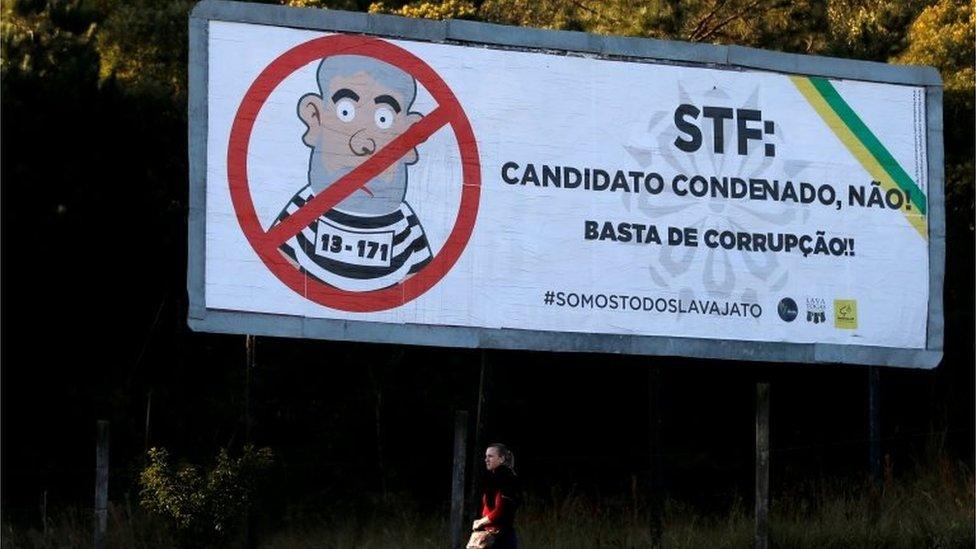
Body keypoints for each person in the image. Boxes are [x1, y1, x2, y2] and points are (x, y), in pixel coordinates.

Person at [274, 54, 433, 292]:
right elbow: (278, 261)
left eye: (383, 119)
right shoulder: (304, 210)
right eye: (345, 112)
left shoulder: (404, 227)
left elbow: (418, 282)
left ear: (408, 137)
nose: (363, 144)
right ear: (315, 118)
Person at [472, 443, 520, 548]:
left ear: (501, 459)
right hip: (491, 535)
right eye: (486, 456)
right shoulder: (494, 478)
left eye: (490, 456)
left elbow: (502, 510)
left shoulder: (506, 478)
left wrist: (480, 522)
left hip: (500, 537)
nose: (486, 459)